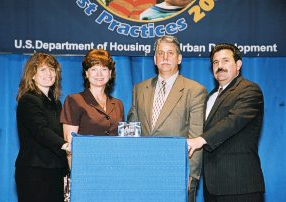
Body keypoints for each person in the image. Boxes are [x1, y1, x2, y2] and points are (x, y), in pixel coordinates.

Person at [128, 35, 207, 202]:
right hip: (143, 174)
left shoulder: (195, 90)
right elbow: (132, 131)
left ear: (179, 58)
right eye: (160, 53)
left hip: (177, 173)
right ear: (154, 59)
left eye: (170, 53)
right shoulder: (139, 89)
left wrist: (190, 176)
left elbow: (195, 137)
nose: (165, 57)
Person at [187, 43, 265, 201]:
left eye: (225, 61)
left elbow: (233, 121)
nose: (219, 66)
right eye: (215, 62)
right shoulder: (210, 96)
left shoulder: (249, 90)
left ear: (238, 64)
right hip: (212, 187)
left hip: (240, 185)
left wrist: (201, 139)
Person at [15, 53, 69, 202]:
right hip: (35, 172)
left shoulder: (56, 102)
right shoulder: (28, 100)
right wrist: (66, 145)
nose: (49, 74)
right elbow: (40, 131)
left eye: (52, 69)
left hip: (56, 170)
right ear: (32, 74)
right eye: (43, 70)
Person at [60, 49, 124, 168]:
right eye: (94, 69)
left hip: (114, 166)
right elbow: (70, 144)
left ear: (110, 73)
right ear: (86, 73)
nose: (99, 74)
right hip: (85, 166)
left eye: (104, 69)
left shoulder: (118, 104)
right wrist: (74, 175)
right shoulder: (74, 100)